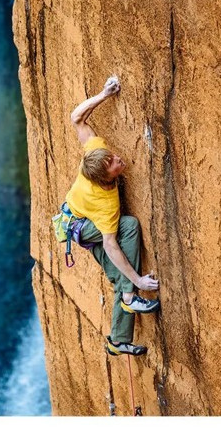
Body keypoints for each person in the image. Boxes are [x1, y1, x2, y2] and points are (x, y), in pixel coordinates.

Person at [64, 75, 161, 357]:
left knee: (121, 276)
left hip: (78, 214)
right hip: (82, 226)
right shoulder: (104, 204)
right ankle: (130, 295)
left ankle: (117, 342)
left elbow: (76, 117)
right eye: (113, 164)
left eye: (112, 157)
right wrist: (139, 282)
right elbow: (110, 244)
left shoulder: (95, 153)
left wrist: (105, 94)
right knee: (128, 226)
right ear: (105, 178)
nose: (117, 159)